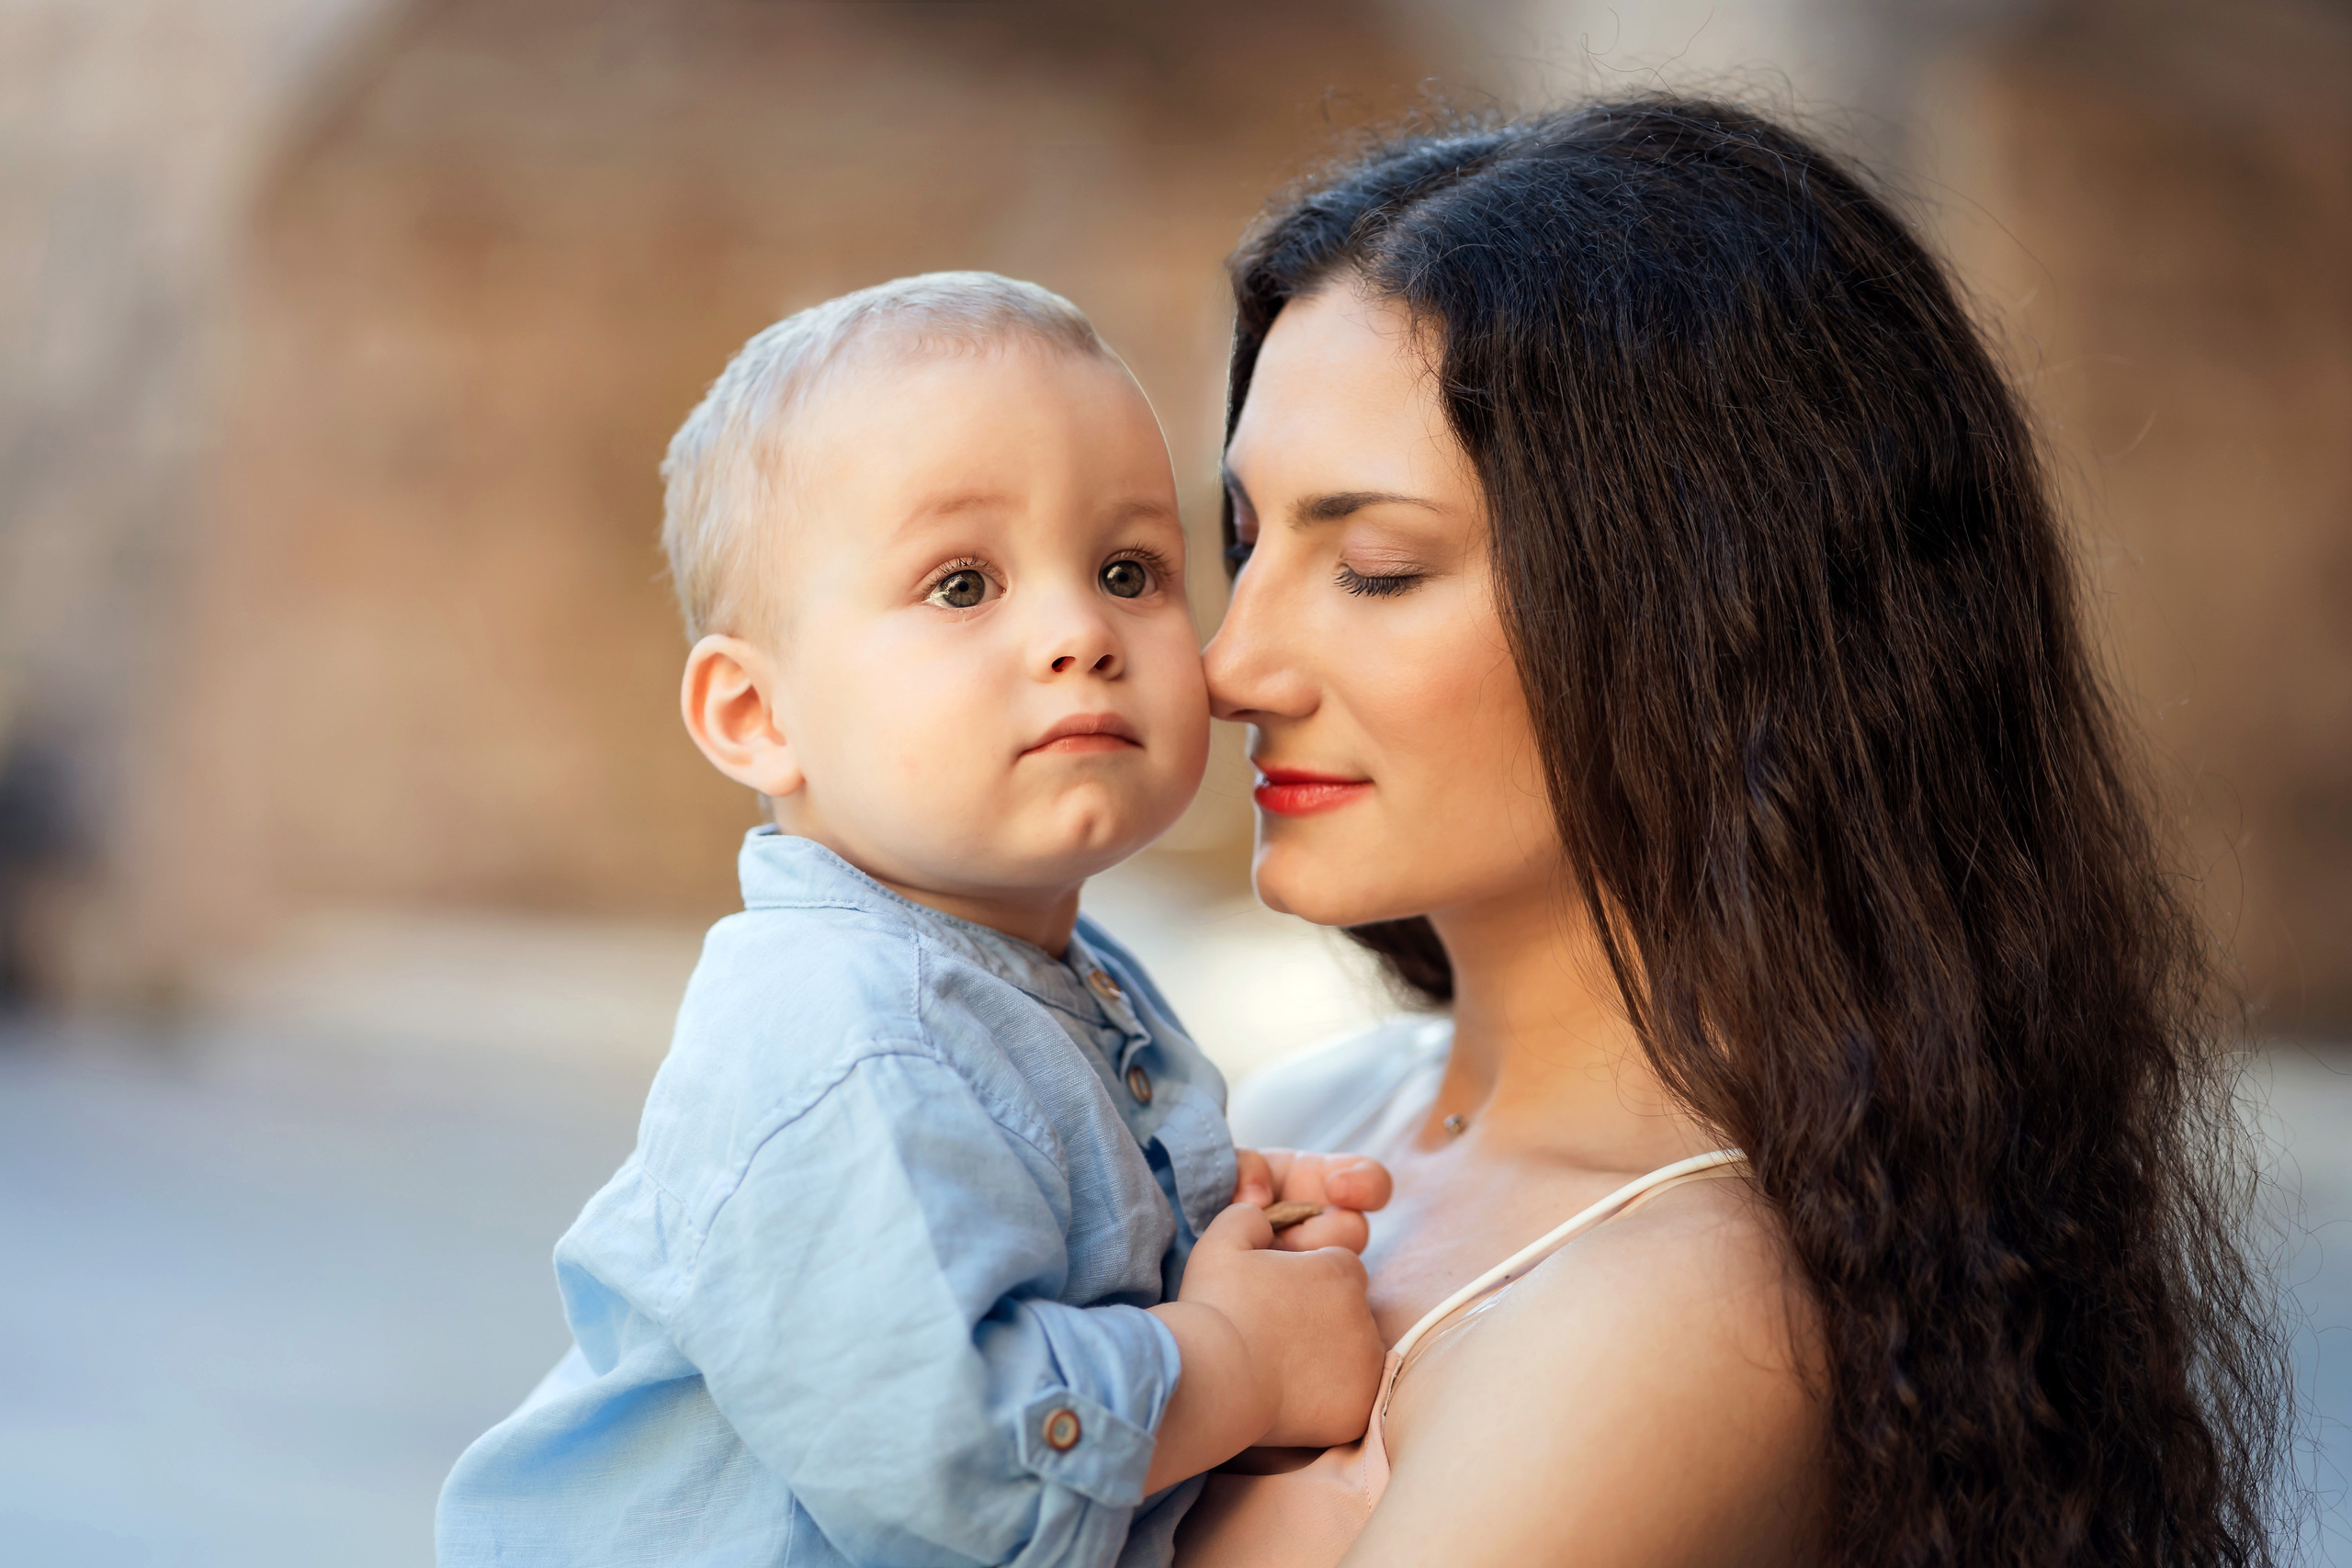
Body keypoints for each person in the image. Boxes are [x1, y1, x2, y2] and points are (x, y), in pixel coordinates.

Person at [1175, 102, 2290, 1567]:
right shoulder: (1304, 1117)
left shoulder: (1683, 1315)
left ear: (1699, 619)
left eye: (1375, 569)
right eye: (1247, 542)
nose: (1231, 662)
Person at [436, 273, 1394, 1568]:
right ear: (756, 718)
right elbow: (948, 1468)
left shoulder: (1059, 978)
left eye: (1130, 569)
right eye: (960, 585)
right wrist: (1230, 1360)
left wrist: (1220, 1238)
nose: (1078, 632)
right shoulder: (843, 1027)